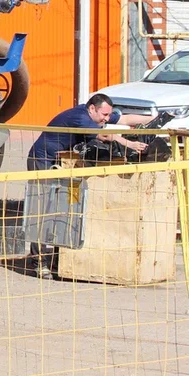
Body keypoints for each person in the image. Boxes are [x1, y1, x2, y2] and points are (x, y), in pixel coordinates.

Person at [25, 93, 151, 278]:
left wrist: (153, 119)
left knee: (65, 208)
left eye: (108, 115)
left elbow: (124, 118)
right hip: (42, 160)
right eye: (104, 115)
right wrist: (130, 144)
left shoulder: (97, 115)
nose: (106, 119)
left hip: (62, 161)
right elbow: (106, 135)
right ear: (92, 108)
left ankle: (60, 259)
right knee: (43, 210)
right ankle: (39, 262)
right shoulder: (81, 117)